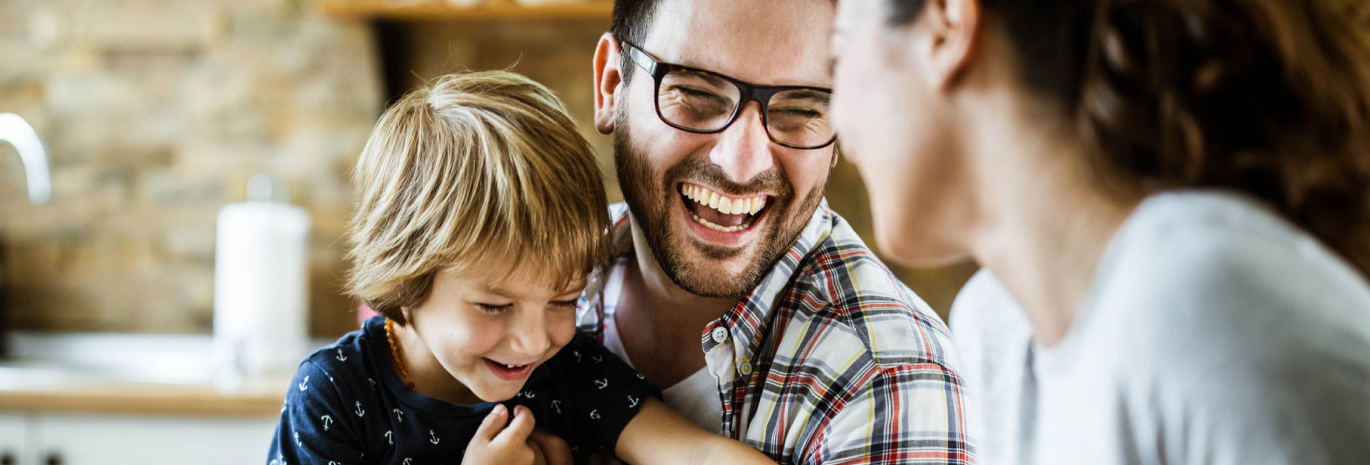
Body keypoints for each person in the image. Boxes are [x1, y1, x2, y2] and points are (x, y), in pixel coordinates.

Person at [828, 0, 1370, 463]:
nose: (836, 113)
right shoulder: (996, 331)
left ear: (947, 25)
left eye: (841, 46)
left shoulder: (1202, 308)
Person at [266, 70, 777, 465]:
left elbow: (697, 454)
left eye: (562, 300)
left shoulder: (569, 372)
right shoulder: (335, 393)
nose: (534, 341)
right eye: (494, 305)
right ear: (406, 281)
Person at [581, 0, 973, 463]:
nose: (741, 164)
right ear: (611, 86)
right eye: (697, 93)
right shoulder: (507, 265)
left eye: (800, 108)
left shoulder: (891, 383)